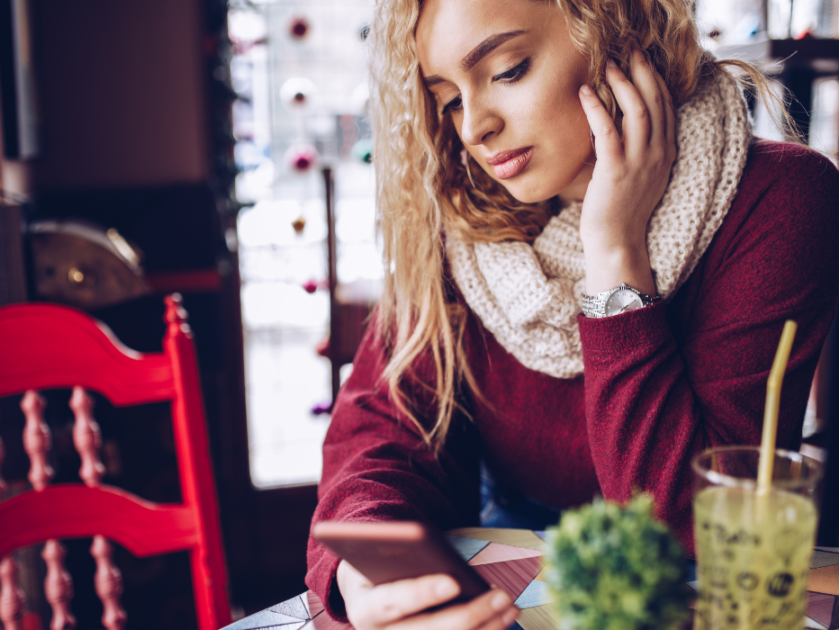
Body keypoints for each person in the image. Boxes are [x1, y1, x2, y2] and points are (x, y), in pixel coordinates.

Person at [306, 0, 839, 627]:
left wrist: (614, 251)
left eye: (507, 70)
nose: (474, 126)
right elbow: (382, 426)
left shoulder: (780, 200)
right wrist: (369, 564)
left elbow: (690, 527)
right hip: (502, 585)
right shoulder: (464, 225)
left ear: (616, 29)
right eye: (449, 99)